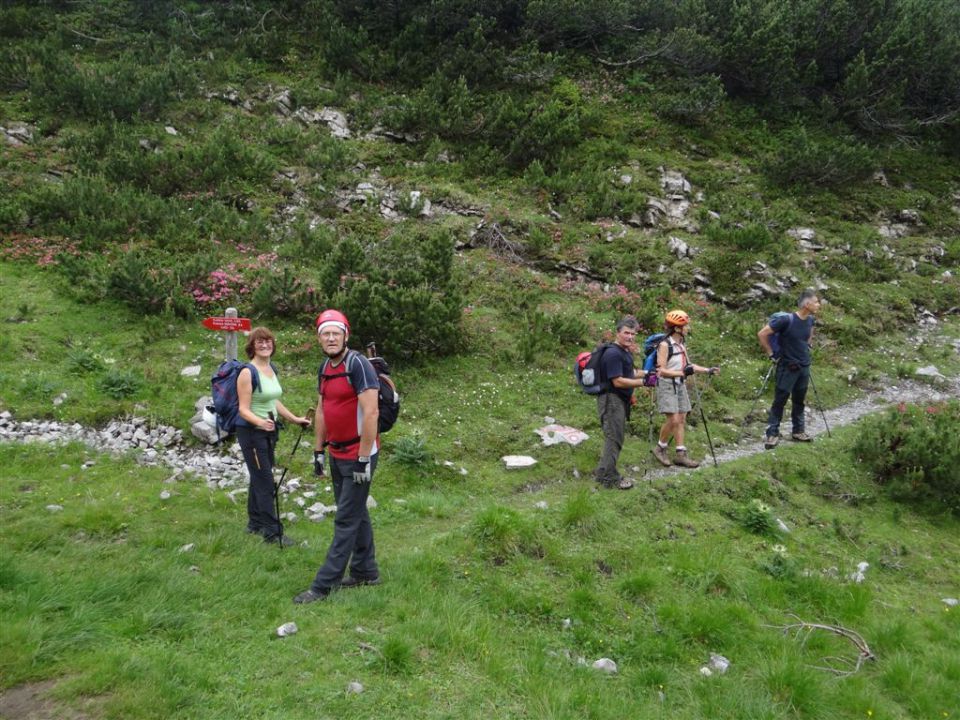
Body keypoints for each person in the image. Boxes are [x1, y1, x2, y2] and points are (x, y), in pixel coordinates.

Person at [294, 309, 381, 604]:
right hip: (336, 451)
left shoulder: (358, 365)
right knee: (356, 511)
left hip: (360, 453)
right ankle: (365, 571)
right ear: (319, 338)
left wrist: (364, 458)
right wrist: (318, 450)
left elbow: (371, 412)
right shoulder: (324, 368)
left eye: (336, 332)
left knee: (345, 518)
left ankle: (323, 586)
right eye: (325, 333)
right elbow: (322, 410)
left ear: (346, 335)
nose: (330, 338)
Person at [235, 326, 311, 545]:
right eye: (260, 342)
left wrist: (294, 419)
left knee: (260, 475)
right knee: (265, 481)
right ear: (252, 346)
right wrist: (260, 422)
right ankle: (272, 533)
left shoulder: (271, 369)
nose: (265, 345)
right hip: (252, 432)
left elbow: (273, 400)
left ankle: (255, 523)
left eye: (268, 341)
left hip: (269, 432)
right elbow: (243, 408)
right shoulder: (247, 372)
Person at [650, 310, 719, 468]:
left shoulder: (681, 343)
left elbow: (689, 366)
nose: (688, 328)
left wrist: (708, 370)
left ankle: (681, 454)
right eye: (685, 325)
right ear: (676, 328)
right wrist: (682, 372)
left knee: (681, 418)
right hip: (667, 384)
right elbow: (661, 370)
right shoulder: (664, 345)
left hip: (679, 383)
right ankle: (660, 448)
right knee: (673, 419)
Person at [757, 289, 821, 449]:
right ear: (807, 304)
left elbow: (809, 334)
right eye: (816, 302)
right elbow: (762, 334)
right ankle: (772, 434)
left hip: (804, 366)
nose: (818, 305)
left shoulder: (810, 320)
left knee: (799, 400)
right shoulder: (786, 320)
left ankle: (798, 431)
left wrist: (807, 345)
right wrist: (772, 354)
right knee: (780, 400)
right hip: (787, 366)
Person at [593, 316, 648, 490]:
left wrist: (649, 374)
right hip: (611, 400)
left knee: (615, 437)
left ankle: (602, 473)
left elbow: (630, 372)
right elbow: (617, 381)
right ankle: (610, 478)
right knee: (614, 438)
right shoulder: (613, 353)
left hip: (618, 400)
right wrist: (644, 383)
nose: (630, 337)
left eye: (633, 334)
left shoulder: (624, 352)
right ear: (618, 333)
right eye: (626, 333)